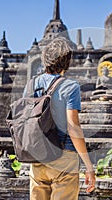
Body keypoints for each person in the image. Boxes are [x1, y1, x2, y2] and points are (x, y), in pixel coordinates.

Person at [28, 38, 96, 200]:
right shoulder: (70, 87)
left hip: (38, 156)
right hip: (63, 158)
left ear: (45, 60)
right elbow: (73, 127)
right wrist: (88, 165)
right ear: (67, 62)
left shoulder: (32, 84)